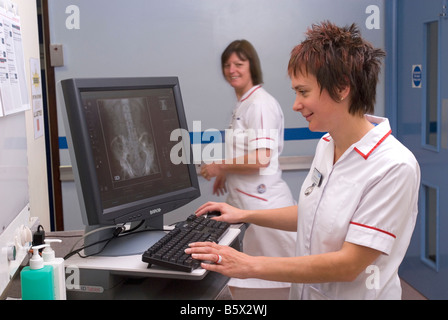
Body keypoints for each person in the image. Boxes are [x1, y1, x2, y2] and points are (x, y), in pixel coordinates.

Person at [186, 22, 420, 300]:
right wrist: (243, 215)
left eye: (303, 92)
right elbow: (312, 212)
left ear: (341, 87)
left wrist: (247, 265)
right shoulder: (327, 146)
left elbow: (349, 265)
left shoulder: (393, 166)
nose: (296, 104)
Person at [200, 40, 296, 299]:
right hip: (245, 205)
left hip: (264, 206)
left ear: (252, 66)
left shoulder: (259, 104)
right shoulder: (242, 105)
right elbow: (245, 152)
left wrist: (219, 165)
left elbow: (261, 158)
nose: (232, 69)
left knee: (280, 281)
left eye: (239, 64)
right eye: (227, 65)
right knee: (251, 280)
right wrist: (226, 173)